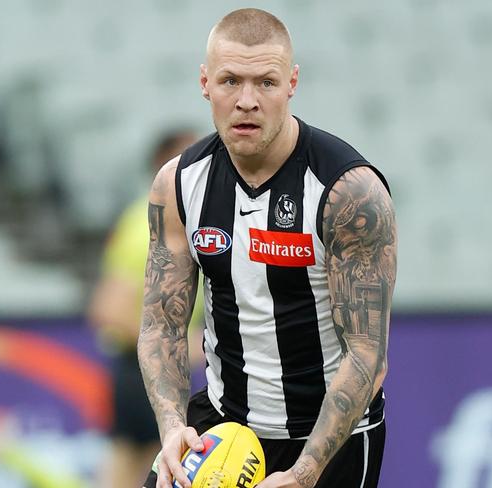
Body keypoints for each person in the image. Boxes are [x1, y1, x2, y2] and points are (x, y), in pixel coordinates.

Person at [137, 8, 397, 488]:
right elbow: (162, 326)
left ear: (292, 83)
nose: (247, 101)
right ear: (205, 83)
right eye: (230, 80)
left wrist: (303, 474)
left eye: (266, 83)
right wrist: (173, 427)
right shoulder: (177, 185)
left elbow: (368, 354)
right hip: (220, 428)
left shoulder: (349, 194)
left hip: (327, 442)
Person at [87, 130, 200, 488]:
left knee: (138, 466)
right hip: (143, 371)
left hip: (155, 367)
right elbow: (107, 309)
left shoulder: (192, 221)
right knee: (159, 466)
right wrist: (177, 343)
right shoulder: (146, 225)